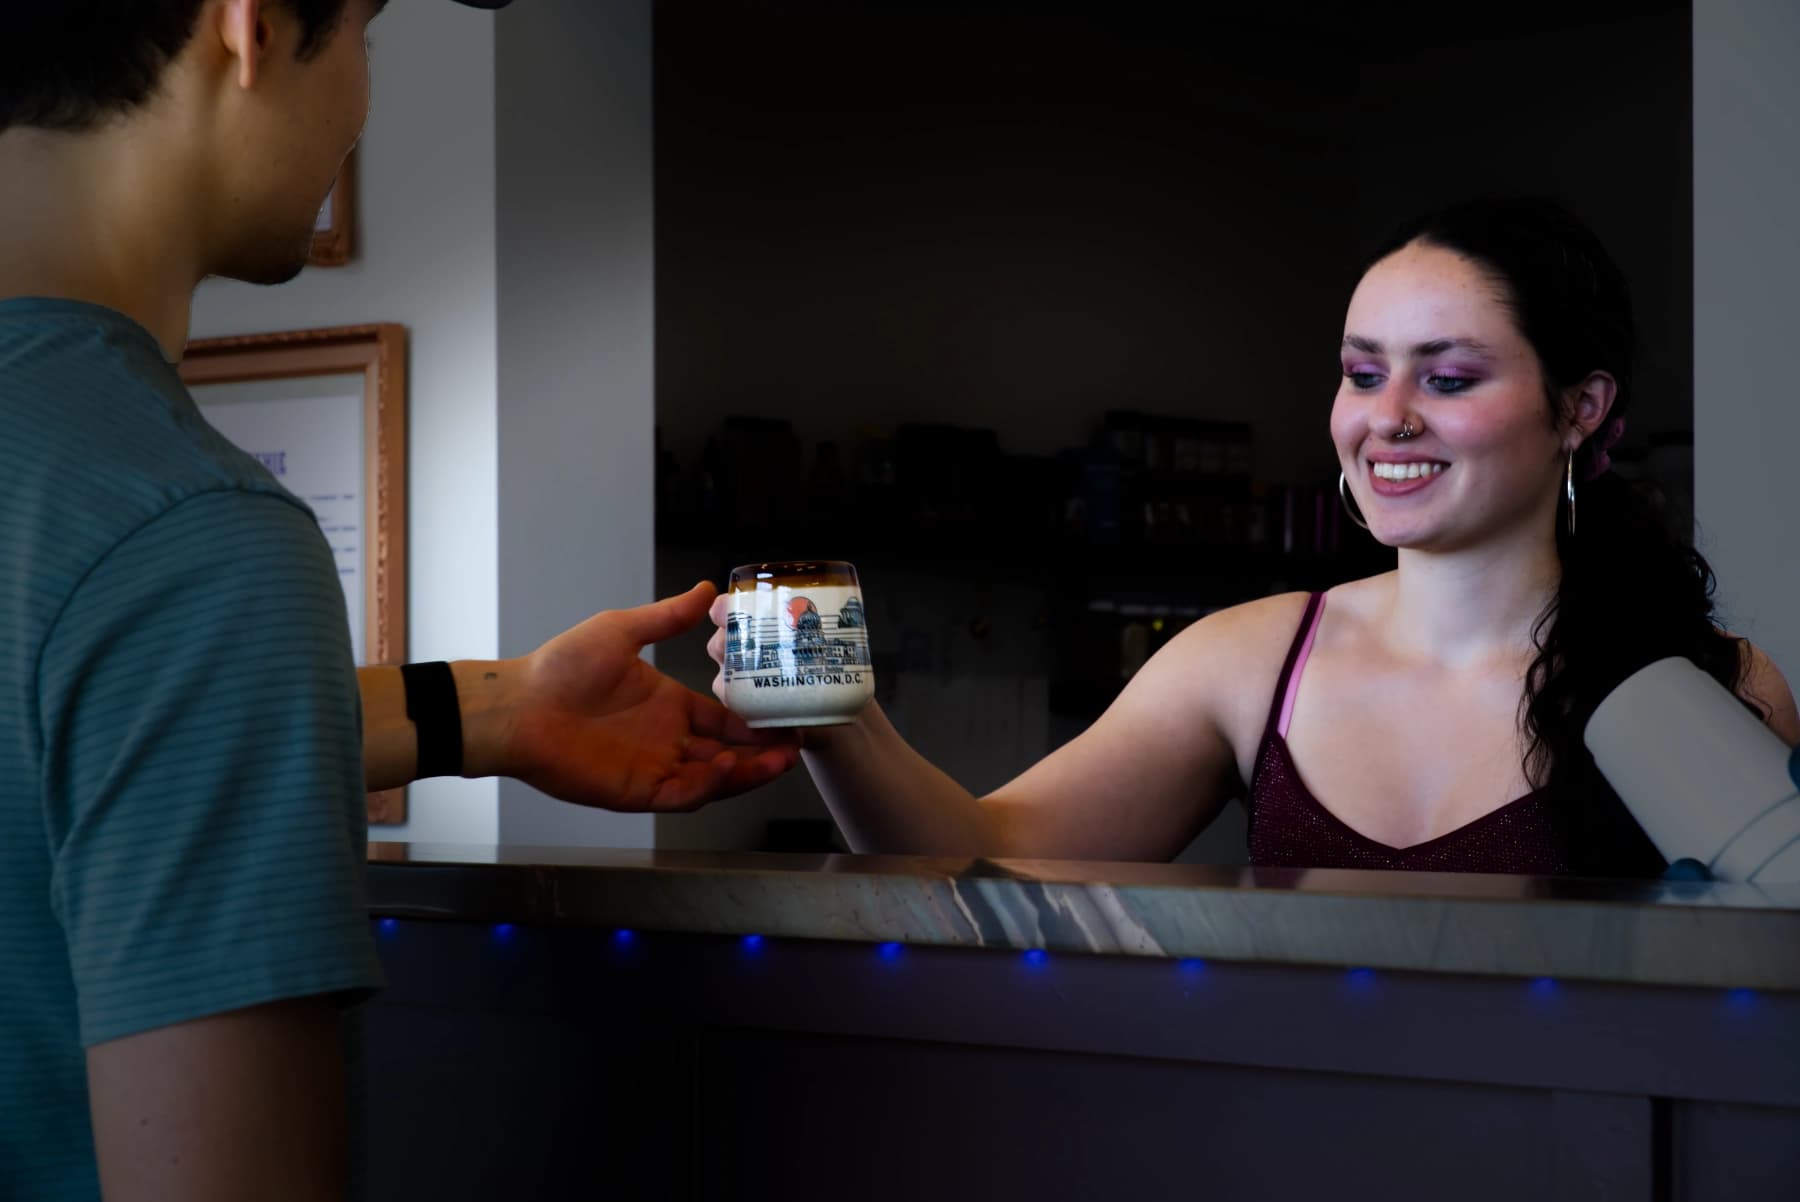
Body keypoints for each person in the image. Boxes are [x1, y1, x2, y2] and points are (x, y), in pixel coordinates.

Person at [0, 1, 796, 1198]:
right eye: (369, 31)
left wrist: (503, 708)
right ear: (251, 26)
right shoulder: (188, 540)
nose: (363, 101)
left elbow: (52, 738)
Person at [710, 195, 1800, 875]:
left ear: (1581, 407)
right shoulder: (1251, 660)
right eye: (1363, 371)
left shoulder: (1716, 688)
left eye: (1449, 375)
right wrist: (836, 723)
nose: (1389, 415)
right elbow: (985, 860)